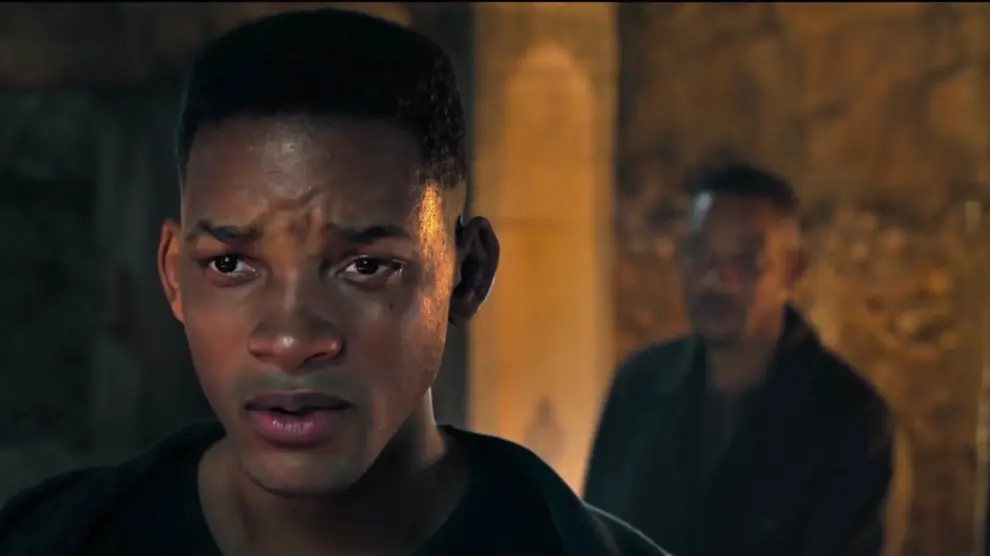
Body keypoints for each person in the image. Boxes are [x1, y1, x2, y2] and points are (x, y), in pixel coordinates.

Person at [0, 9, 667, 556]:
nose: (291, 340)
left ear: (466, 274)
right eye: (230, 265)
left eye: (365, 267)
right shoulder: (49, 541)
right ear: (174, 276)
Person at [583, 161, 893, 556]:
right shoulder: (639, 385)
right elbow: (590, 535)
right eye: (700, 255)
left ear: (792, 270)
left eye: (747, 260)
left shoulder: (849, 417)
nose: (717, 279)